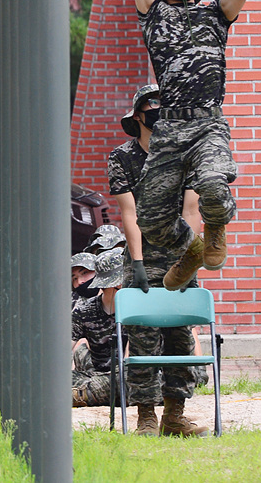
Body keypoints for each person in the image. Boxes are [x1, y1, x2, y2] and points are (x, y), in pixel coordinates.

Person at [128, 0, 251, 292]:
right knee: (150, 218)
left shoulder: (216, 15)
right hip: (169, 129)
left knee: (213, 185)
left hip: (207, 123)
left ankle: (215, 230)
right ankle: (192, 248)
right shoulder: (153, 14)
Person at [107, 82, 207, 437]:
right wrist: (136, 263)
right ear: (138, 114)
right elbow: (128, 213)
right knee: (144, 337)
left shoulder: (185, 155)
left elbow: (192, 209)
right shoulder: (122, 157)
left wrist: (188, 261)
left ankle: (175, 415)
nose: (160, 111)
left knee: (180, 337)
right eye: (153, 105)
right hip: (143, 258)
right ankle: (146, 416)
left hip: (180, 258)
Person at [71, 248, 125, 408]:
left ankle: (83, 394)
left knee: (136, 381)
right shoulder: (84, 310)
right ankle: (89, 392)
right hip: (95, 372)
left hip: (127, 376)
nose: (79, 281)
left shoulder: (136, 309)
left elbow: (130, 365)